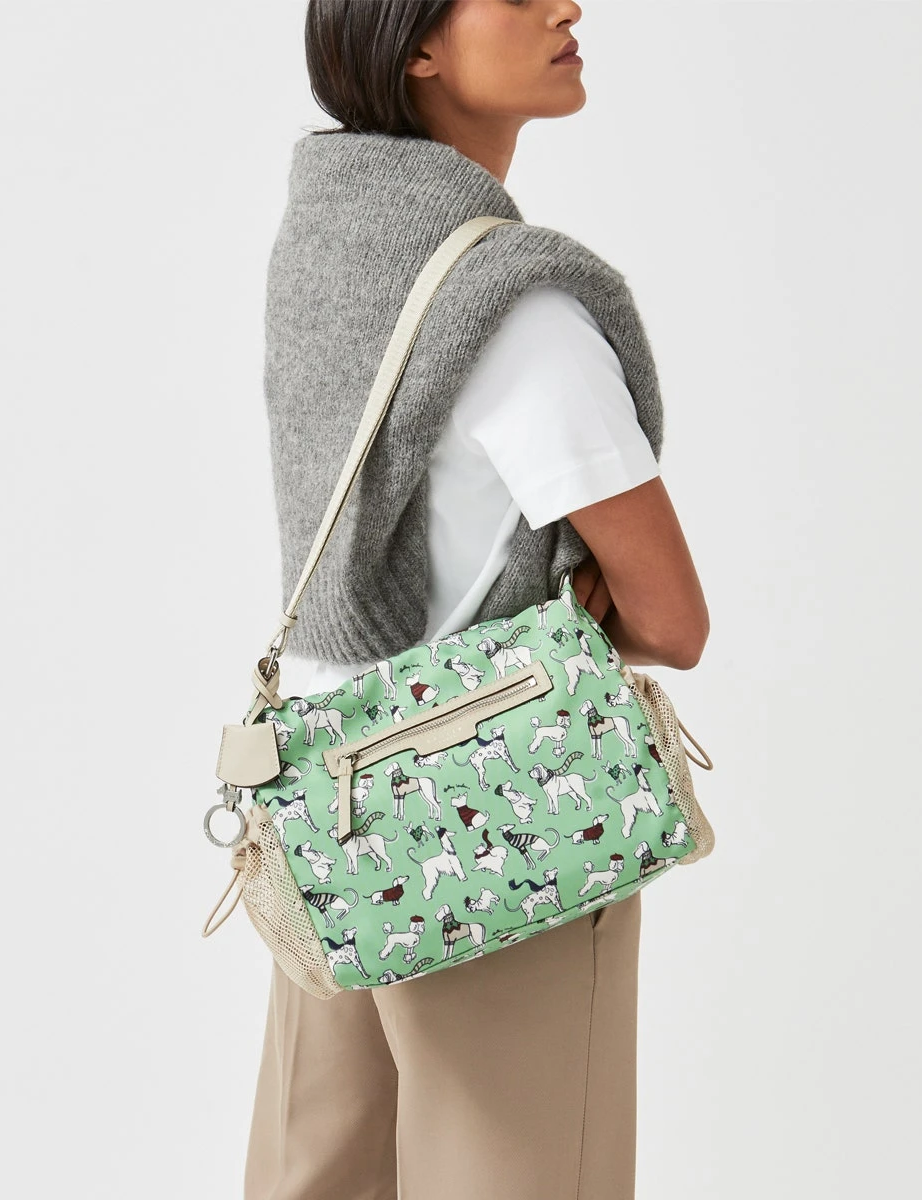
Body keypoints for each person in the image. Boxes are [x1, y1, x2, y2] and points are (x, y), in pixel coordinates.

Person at [244, 3, 709, 1198]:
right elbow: (673, 621)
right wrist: (576, 599)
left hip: (327, 816)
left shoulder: (325, 253)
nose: (566, 7)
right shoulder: (520, 309)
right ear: (417, 45)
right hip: (492, 825)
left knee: (321, 1175)